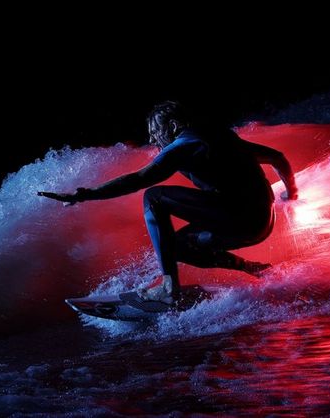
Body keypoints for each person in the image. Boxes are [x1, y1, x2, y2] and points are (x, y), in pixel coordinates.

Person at [38, 100, 297, 304]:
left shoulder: (185, 145)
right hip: (262, 222)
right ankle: (254, 268)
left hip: (237, 219)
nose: (152, 140)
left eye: (155, 132)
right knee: (177, 247)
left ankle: (167, 287)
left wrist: (84, 194)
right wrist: (291, 192)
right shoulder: (221, 136)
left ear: (173, 126)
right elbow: (278, 157)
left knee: (154, 197)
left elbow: (139, 179)